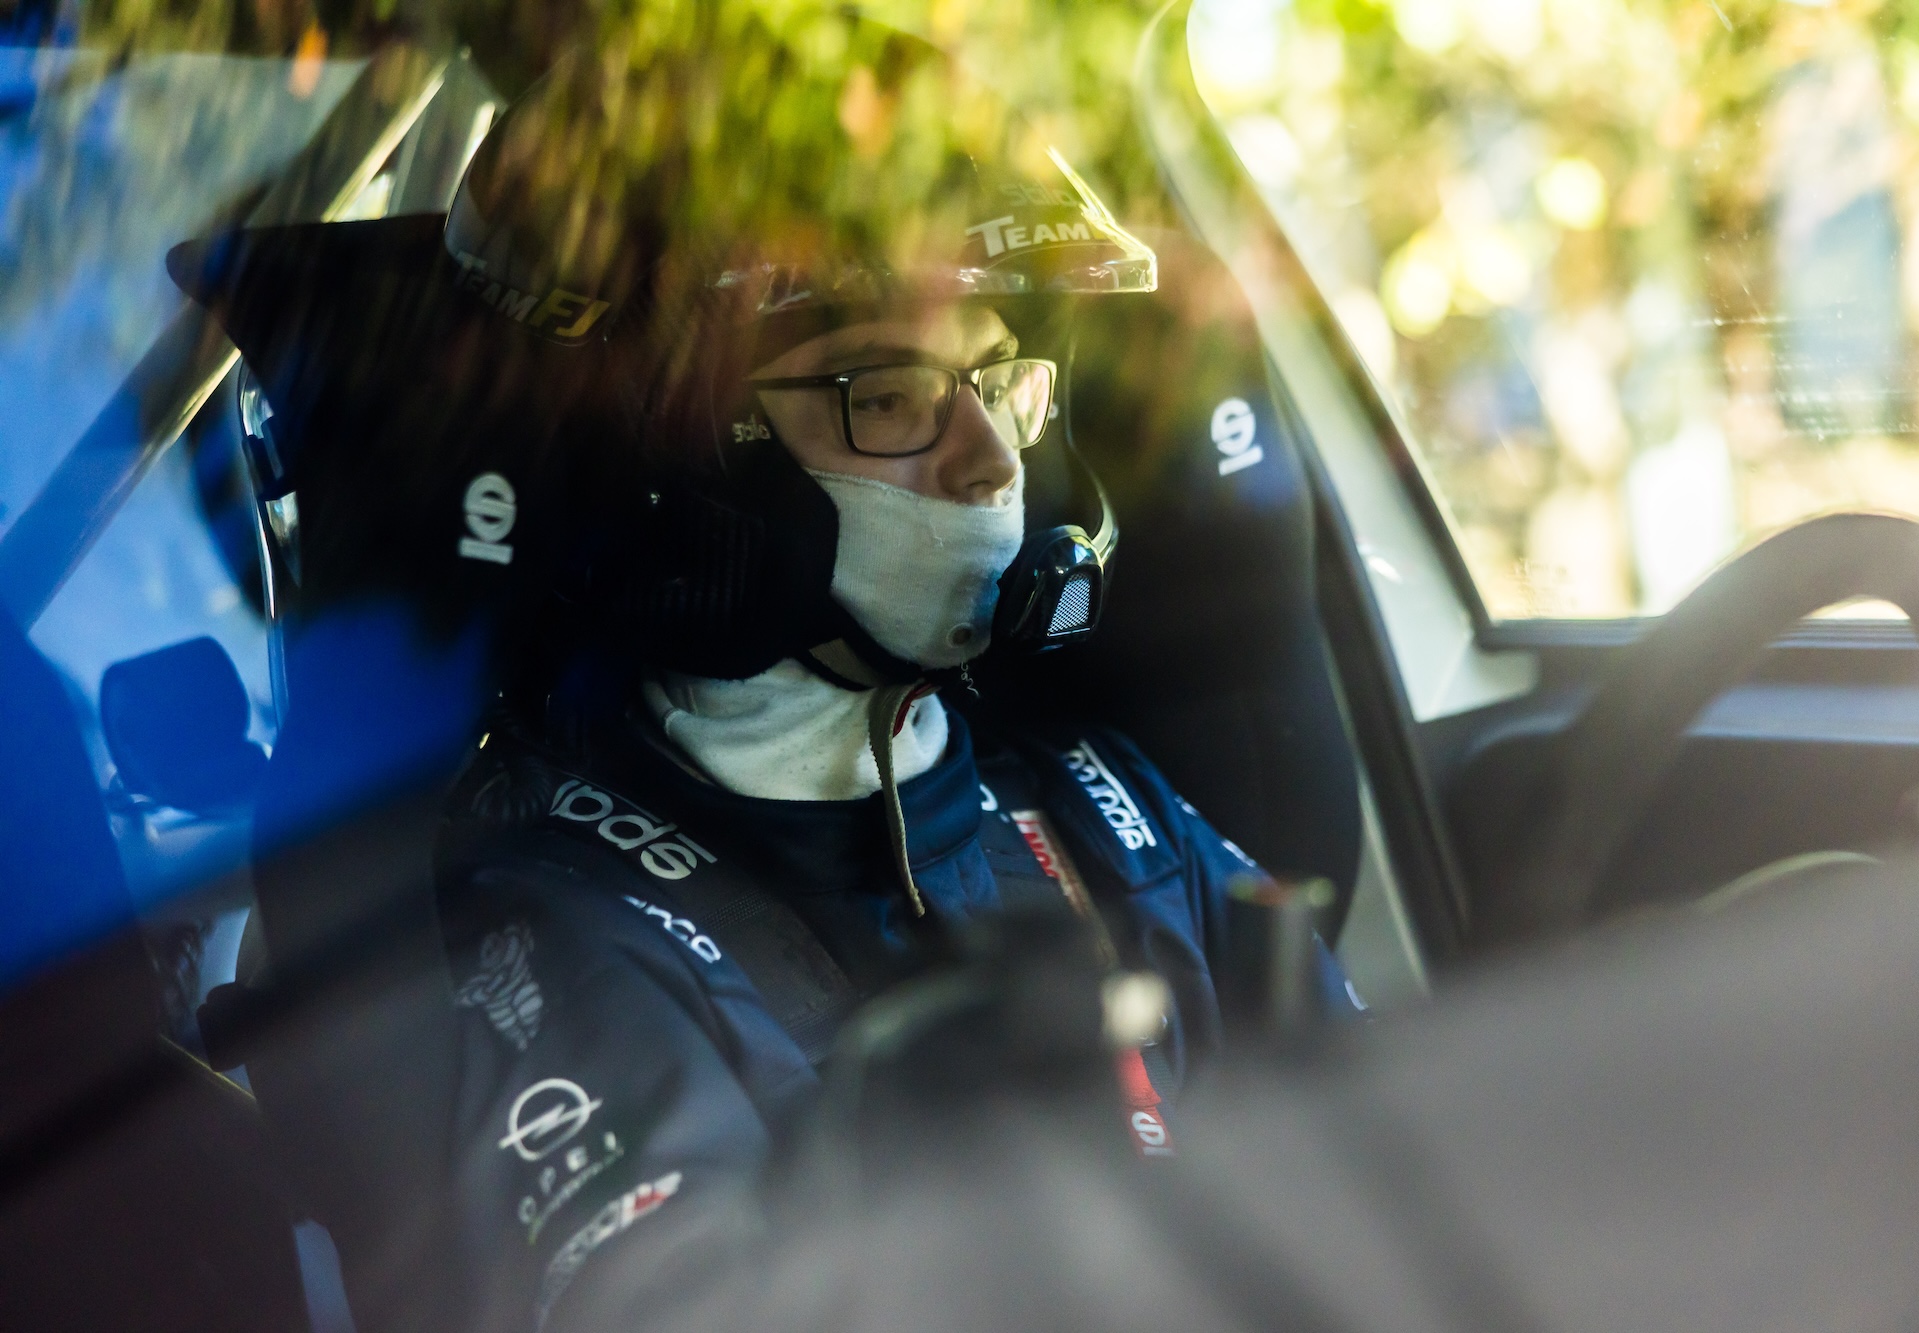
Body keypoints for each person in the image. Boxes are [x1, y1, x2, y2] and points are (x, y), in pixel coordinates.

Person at [195, 14, 1356, 1332]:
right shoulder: (570, 937)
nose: (991, 463)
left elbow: (1404, 1178)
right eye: (893, 396)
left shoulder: (1108, 809)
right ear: (674, 460)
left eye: (999, 384)